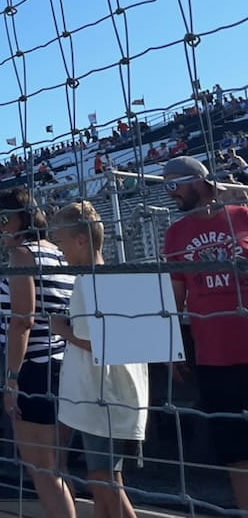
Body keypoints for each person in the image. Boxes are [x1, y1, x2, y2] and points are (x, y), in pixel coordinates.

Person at [162, 156, 248, 512]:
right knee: (235, 450)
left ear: (199, 181)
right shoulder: (175, 233)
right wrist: (170, 347)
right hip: (214, 358)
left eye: (174, 185)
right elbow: (175, 299)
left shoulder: (244, 214)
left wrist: (234, 190)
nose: (171, 195)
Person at [51, 201, 147, 518]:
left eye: (61, 241)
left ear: (80, 240)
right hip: (120, 398)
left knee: (104, 483)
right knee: (106, 480)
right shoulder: (119, 275)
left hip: (100, 399)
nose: (59, 248)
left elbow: (100, 344)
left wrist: (62, 330)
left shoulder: (88, 282)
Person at [0, 186, 76, 518]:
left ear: (19, 218)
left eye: (2, 218)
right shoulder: (58, 253)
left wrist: (12, 380)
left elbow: (22, 322)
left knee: (41, 469)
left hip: (35, 368)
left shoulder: (23, 255)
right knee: (55, 466)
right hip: (63, 364)